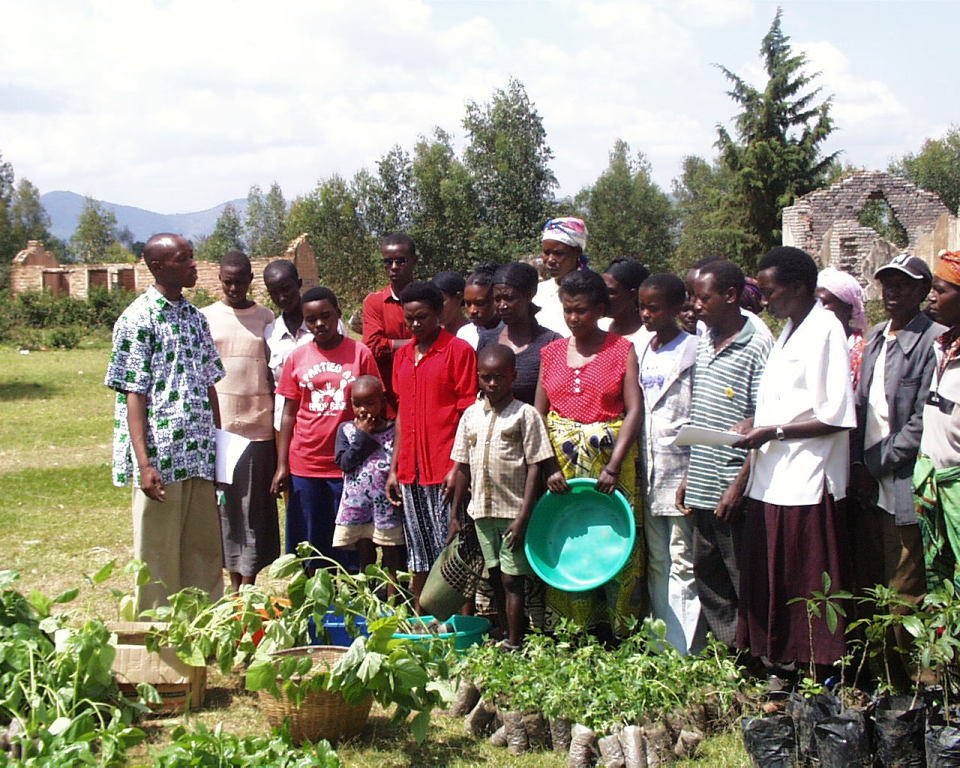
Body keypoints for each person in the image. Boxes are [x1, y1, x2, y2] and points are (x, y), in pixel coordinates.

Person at [735, 246, 856, 673]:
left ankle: (815, 670)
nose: (764, 300)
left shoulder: (825, 329)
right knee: (774, 575)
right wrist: (756, 422)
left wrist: (775, 431)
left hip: (809, 476)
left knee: (806, 577)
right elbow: (789, 400)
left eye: (770, 291)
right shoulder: (789, 328)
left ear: (800, 287)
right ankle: (780, 664)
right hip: (774, 476)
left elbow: (836, 414)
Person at [105, 233, 225, 612]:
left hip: (198, 455)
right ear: (157, 266)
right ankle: (158, 643)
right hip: (162, 460)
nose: (193, 265)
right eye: (183, 259)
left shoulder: (194, 318)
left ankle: (205, 634)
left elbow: (209, 385)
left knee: (204, 553)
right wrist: (144, 464)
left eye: (192, 257)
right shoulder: (137, 320)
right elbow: (133, 394)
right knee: (157, 556)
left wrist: (218, 449)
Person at [850, 253, 942, 689]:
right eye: (887, 282)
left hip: (903, 482)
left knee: (906, 589)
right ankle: (883, 678)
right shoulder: (875, 338)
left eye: (904, 284)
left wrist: (873, 465)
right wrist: (857, 465)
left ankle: (919, 684)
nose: (892, 291)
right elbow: (862, 406)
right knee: (875, 584)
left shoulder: (934, 342)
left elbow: (922, 421)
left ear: (924, 291)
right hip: (870, 483)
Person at [535, 269, 645, 632]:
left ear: (599, 309)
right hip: (562, 470)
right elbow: (539, 416)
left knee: (615, 543)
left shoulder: (621, 350)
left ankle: (620, 632)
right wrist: (549, 466)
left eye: (580, 310)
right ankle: (575, 633)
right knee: (569, 542)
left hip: (610, 469)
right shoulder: (550, 353)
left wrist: (613, 467)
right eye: (567, 310)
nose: (573, 318)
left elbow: (634, 411)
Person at [677, 259, 772, 649]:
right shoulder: (704, 341)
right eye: (691, 298)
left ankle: (764, 658)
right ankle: (733, 651)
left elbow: (763, 423)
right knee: (708, 576)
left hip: (733, 487)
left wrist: (738, 486)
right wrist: (688, 475)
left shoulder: (759, 345)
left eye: (703, 298)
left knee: (745, 577)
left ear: (731, 296)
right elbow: (702, 411)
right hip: (702, 482)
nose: (694, 306)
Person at [448, 344, 557, 648]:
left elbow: (536, 465)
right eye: (485, 378)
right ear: (478, 378)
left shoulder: (525, 414)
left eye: (499, 377)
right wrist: (455, 516)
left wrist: (524, 516)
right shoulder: (471, 416)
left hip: (513, 512)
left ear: (513, 376)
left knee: (513, 578)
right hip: (481, 511)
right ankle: (504, 631)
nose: (492, 384)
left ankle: (515, 638)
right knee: (494, 573)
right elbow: (462, 468)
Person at [271, 287, 379, 571]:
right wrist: (282, 465)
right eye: (311, 319)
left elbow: (375, 405)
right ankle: (314, 601)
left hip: (348, 464)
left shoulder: (360, 353)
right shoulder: (297, 357)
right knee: (310, 541)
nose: (319, 324)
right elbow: (288, 413)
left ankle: (354, 599)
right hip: (305, 463)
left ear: (338, 314)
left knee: (350, 540)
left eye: (325, 316)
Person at [385, 280, 477, 606]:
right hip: (411, 471)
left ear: (439, 313)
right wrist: (395, 468)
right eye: (409, 319)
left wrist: (458, 467)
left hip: (445, 470)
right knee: (418, 551)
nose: (414, 325)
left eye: (422, 317)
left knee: (452, 550)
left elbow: (469, 415)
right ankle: (422, 620)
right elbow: (401, 417)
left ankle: (460, 624)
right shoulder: (402, 358)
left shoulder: (458, 352)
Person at [201, 251, 279, 591]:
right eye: (228, 281)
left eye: (240, 281)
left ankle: (248, 581)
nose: (234, 287)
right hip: (222, 431)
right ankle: (233, 583)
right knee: (227, 510)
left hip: (259, 428)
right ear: (220, 280)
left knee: (255, 509)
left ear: (250, 281)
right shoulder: (204, 318)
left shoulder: (265, 318)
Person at [636, 273, 703, 655]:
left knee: (684, 560)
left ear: (678, 308)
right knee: (658, 559)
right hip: (649, 471)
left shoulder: (693, 350)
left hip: (682, 472)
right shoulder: (643, 350)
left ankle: (686, 650)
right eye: (642, 307)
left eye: (654, 307)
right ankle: (660, 644)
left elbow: (703, 415)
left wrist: (695, 473)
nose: (646, 314)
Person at [915, 250, 960, 593]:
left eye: (942, 290)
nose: (932, 296)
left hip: (956, 485)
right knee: (940, 580)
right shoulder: (942, 346)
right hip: (935, 483)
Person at [332, 375, 405, 579]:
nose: (363, 409)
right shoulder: (346, 430)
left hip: (386, 508)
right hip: (357, 507)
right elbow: (345, 463)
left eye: (370, 403)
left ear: (382, 402)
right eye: (357, 404)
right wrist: (362, 436)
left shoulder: (393, 431)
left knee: (392, 554)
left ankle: (393, 599)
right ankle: (367, 596)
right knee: (364, 554)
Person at [264, 259, 343, 433]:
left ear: (299, 284)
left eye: (286, 288)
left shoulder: (329, 326)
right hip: (285, 426)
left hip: (326, 424)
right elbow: (272, 384)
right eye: (274, 292)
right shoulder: (270, 333)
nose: (282, 297)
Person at [479, 262, 562, 405]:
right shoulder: (487, 340)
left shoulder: (551, 343)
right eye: (497, 299)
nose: (502, 306)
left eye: (509, 298)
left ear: (529, 296)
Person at [362, 233, 416, 411]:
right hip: (389, 399)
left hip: (423, 389)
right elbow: (374, 346)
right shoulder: (375, 302)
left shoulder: (429, 299)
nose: (394, 267)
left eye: (401, 261)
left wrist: (392, 345)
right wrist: (418, 343)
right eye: (388, 262)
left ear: (414, 261)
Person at [534, 217, 589, 336]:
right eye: (546, 253)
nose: (550, 260)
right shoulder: (537, 292)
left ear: (577, 252)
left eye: (558, 253)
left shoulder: (593, 291)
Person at [816, 267, 869, 387]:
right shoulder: (810, 344)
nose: (818, 309)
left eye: (825, 303)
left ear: (847, 308)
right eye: (815, 302)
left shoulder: (863, 352)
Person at [600, 258, 650, 340]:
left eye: (611, 292)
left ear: (632, 294)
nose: (602, 296)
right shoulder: (598, 327)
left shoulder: (648, 338)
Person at [457, 263, 502, 350]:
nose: (472, 311)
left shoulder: (510, 334)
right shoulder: (464, 334)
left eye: (480, 303)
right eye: (468, 303)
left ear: (496, 299)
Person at [433, 271, 469, 337]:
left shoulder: (474, 335)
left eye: (441, 300)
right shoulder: (429, 336)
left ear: (459, 297)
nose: (436, 307)